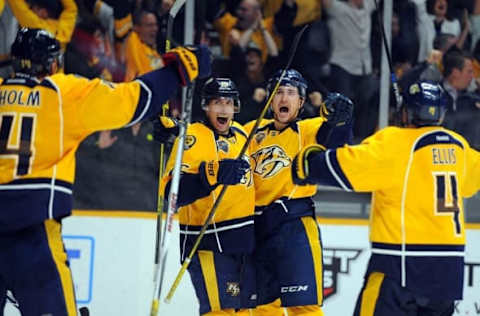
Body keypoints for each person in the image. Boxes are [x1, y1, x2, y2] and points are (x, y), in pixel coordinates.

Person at [0, 27, 210, 315]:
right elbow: (134, 100)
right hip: (32, 225)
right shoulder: (62, 91)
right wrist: (178, 72)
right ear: (51, 64)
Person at [292, 80, 480, 316]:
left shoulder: (395, 143)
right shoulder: (460, 147)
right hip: (447, 275)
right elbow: (471, 181)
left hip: (400, 267)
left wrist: (308, 163)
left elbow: (343, 167)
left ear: (405, 111)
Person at [243, 69, 354, 315]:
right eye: (279, 92)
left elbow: (335, 138)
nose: (284, 98)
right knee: (260, 306)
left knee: (303, 305)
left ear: (301, 101)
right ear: (270, 100)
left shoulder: (308, 129)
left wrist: (340, 117)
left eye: (291, 93)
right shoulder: (251, 131)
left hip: (293, 224)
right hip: (256, 226)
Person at [157, 78, 256, 315]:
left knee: (241, 312)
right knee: (219, 311)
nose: (223, 108)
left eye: (229, 102)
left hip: (242, 243)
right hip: (208, 243)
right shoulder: (191, 137)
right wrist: (212, 174)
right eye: (217, 102)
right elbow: (172, 192)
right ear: (205, 106)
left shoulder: (243, 134)